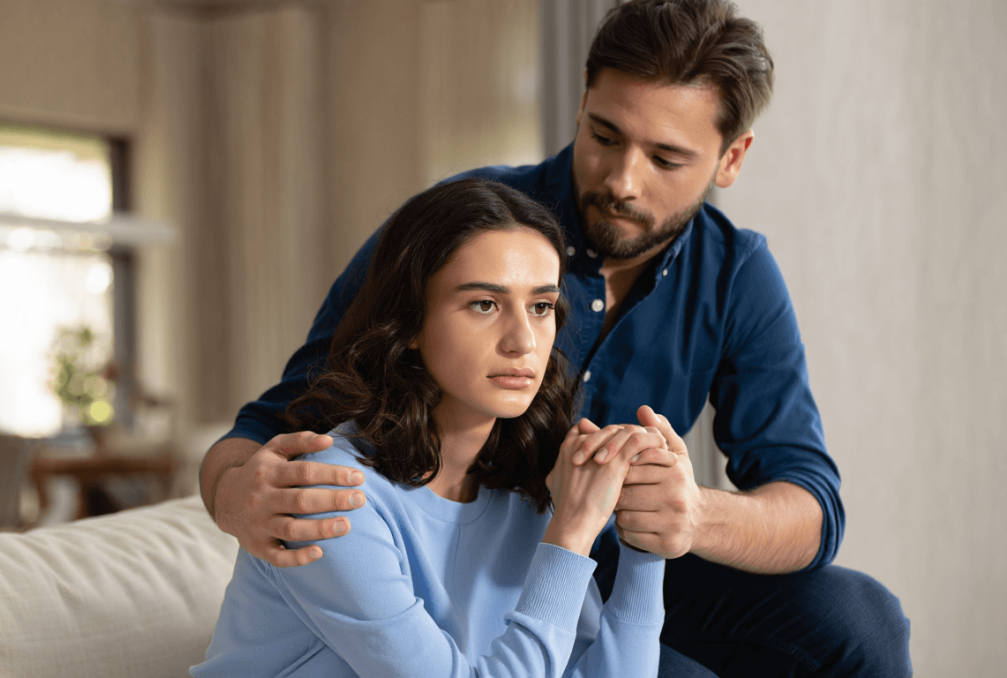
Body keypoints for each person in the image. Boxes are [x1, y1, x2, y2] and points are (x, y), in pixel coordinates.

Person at [199, 1, 912, 675]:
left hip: (611, 549)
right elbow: (277, 420)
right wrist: (235, 496)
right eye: (605, 136)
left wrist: (684, 516)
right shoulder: (462, 231)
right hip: (515, 556)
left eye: (665, 158)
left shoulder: (737, 274)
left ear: (730, 159)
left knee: (866, 620)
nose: (622, 181)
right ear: (581, 102)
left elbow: (811, 504)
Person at [194, 179, 679, 677]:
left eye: (541, 307)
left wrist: (646, 548)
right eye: (484, 304)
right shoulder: (332, 491)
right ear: (409, 323)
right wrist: (573, 533)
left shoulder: (528, 488)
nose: (523, 341)